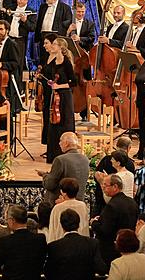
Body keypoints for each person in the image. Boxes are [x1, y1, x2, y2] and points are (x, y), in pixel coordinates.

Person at [38, 34, 77, 163]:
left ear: (60, 47)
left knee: (64, 123)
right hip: (55, 97)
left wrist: (59, 85)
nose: (51, 46)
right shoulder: (54, 62)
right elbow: (54, 78)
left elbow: (73, 82)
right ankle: (53, 155)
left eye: (54, 44)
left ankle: (65, 154)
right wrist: (50, 82)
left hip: (65, 97)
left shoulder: (66, 61)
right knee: (54, 124)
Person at [45, 209, 107, 280]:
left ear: (62, 225)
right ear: (78, 224)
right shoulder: (92, 243)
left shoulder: (54, 247)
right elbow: (102, 269)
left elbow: (48, 272)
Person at [92, 174, 139, 263]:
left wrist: (94, 222)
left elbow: (104, 230)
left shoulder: (112, 206)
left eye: (105, 185)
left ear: (115, 187)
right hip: (129, 245)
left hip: (113, 248)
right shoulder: (132, 202)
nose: (103, 187)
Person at [0, 204, 47, 280]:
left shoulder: (5, 242)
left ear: (12, 220)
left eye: (7, 219)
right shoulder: (40, 239)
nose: (7, 221)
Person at [39, 132, 89, 204]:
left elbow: (50, 184)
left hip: (60, 202)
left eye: (60, 140)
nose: (59, 143)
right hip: (79, 201)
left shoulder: (60, 160)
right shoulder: (85, 159)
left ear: (66, 143)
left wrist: (44, 176)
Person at [47, 177, 88, 242]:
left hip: (61, 245)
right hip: (81, 243)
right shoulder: (82, 206)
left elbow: (52, 230)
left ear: (64, 193)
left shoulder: (57, 208)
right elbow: (85, 227)